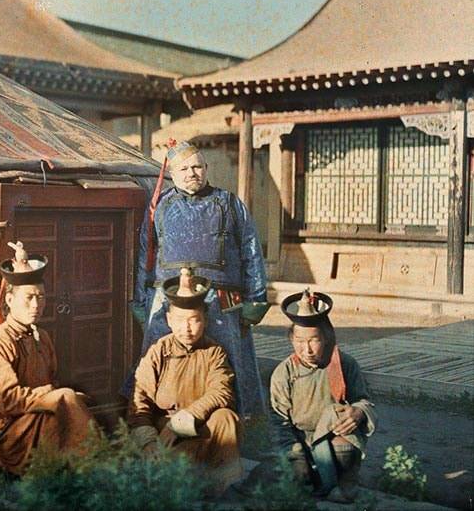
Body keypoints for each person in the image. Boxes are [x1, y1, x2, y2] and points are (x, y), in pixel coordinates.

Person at [128, 140, 268, 418]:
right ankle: (154, 420)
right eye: (184, 169)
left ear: (206, 168)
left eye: (197, 166)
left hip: (221, 298)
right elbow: (147, 252)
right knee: (161, 358)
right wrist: (142, 299)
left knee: (229, 360)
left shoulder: (230, 204)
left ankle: (232, 425)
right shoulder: (160, 207)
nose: (192, 173)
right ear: (172, 174)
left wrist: (256, 298)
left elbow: (251, 249)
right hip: (168, 298)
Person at [0, 241, 94, 475]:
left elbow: (52, 381)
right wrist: (50, 395)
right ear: (9, 301)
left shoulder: (42, 337)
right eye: (29, 298)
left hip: (38, 417)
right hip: (11, 431)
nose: (37, 305)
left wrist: (56, 396)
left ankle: (89, 474)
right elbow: (8, 400)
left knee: (72, 404)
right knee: (67, 403)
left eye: (41, 297)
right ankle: (96, 474)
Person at [129, 268, 242, 494]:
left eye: (194, 320)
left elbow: (221, 391)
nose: (187, 328)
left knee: (226, 417)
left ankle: (219, 485)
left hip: (202, 432)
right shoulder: (158, 352)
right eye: (180, 320)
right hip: (166, 438)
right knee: (166, 479)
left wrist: (182, 420)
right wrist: (149, 442)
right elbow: (139, 402)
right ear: (169, 320)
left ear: (205, 320)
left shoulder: (214, 353)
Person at [269, 290, 377, 503]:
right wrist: (296, 455)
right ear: (291, 339)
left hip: (332, 437)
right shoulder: (284, 372)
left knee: (342, 444)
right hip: (298, 441)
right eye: (299, 341)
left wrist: (359, 413)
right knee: (289, 479)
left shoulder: (345, 364)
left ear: (326, 338)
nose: (306, 349)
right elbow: (277, 421)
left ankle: (344, 483)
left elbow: (364, 401)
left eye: (313, 340)